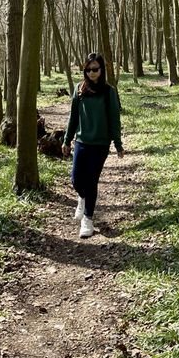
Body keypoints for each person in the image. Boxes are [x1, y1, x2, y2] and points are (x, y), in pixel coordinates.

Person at [62, 53, 124, 238]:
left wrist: (118, 144)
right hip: (81, 142)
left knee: (91, 181)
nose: (91, 73)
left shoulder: (109, 92)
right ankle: (82, 197)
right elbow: (73, 117)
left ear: (102, 70)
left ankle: (87, 220)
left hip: (100, 144)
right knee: (76, 179)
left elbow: (114, 120)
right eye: (88, 70)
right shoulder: (79, 90)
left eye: (95, 69)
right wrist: (66, 140)